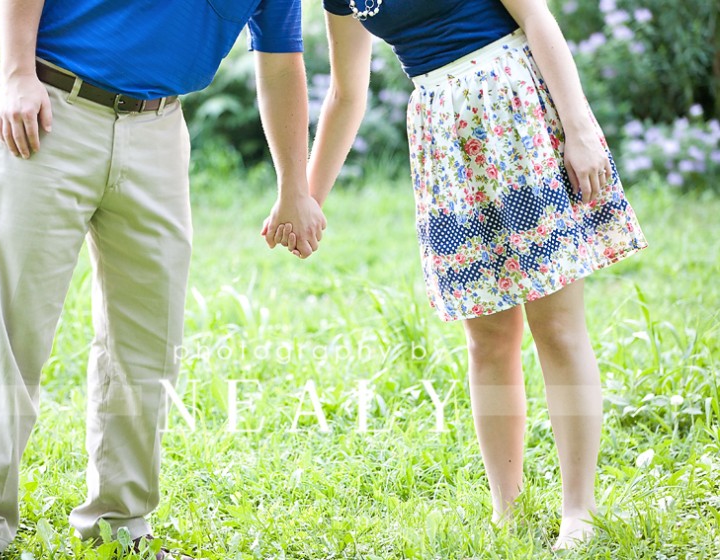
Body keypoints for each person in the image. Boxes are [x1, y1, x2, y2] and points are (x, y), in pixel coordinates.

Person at [0, 1, 326, 559]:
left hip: (159, 130)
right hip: (49, 106)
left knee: (148, 340)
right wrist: (16, 72)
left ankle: (120, 526)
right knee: (11, 331)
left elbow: (281, 59)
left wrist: (295, 185)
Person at [269, 0, 648, 550]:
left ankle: (579, 510)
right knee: (488, 337)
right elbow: (347, 94)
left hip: (515, 110)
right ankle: (507, 511)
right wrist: (305, 197)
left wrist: (580, 127)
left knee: (558, 327)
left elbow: (538, 18)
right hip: (443, 138)